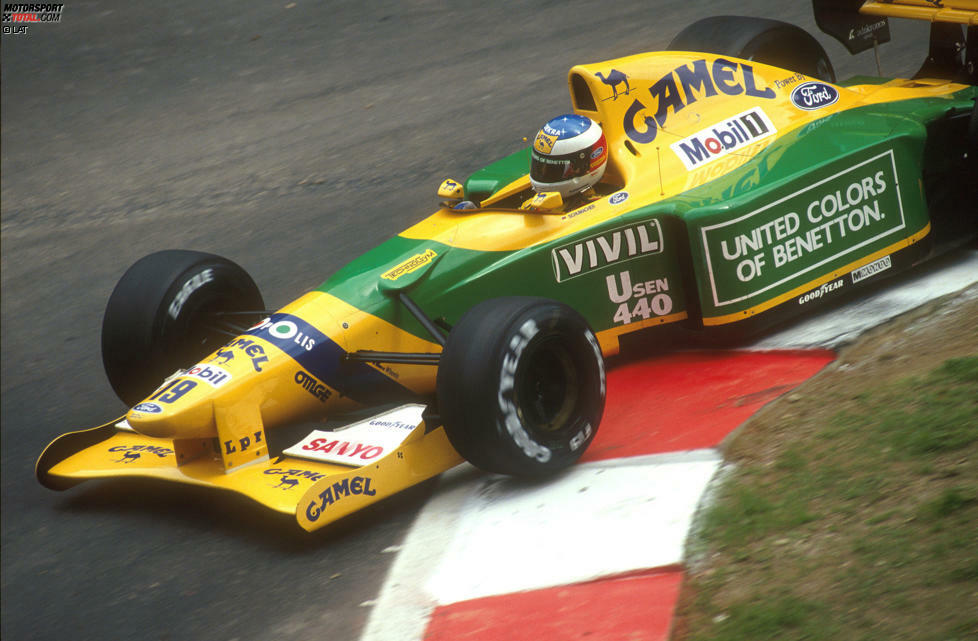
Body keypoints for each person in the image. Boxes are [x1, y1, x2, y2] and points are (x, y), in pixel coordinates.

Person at [526, 114, 608, 210]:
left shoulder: (603, 206)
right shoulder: (530, 206)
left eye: (558, 169)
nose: (545, 174)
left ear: (583, 167)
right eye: (540, 165)